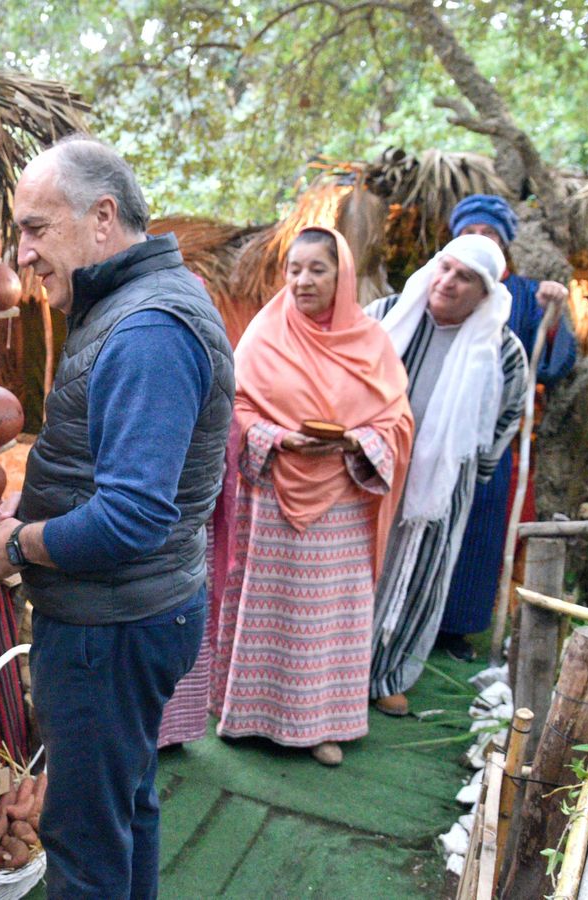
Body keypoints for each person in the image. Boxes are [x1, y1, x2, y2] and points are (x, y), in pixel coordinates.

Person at [0, 134, 234, 899]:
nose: (21, 253)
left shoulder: (148, 328)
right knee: (126, 806)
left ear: (103, 217)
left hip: (109, 629)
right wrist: (35, 496)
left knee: (84, 839)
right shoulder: (129, 305)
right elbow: (103, 459)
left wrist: (17, 544)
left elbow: (130, 518)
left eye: (34, 228)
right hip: (134, 615)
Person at [204, 227, 413, 766]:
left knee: (324, 619)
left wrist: (354, 442)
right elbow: (237, 409)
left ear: (342, 276)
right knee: (269, 608)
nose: (302, 281)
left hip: (343, 498)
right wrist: (276, 438)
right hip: (272, 495)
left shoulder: (372, 342)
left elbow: (397, 421)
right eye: (294, 269)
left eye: (317, 269)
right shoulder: (264, 334)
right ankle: (245, 713)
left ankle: (321, 726)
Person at [366, 234, 530, 716]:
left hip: (442, 481)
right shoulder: (385, 316)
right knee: (359, 568)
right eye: (445, 269)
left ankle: (388, 674)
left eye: (465, 278)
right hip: (369, 467)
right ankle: (331, 671)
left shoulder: (502, 350)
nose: (448, 283)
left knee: (421, 573)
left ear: (485, 293)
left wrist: (471, 476)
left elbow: (507, 417)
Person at [435, 195, 577, 661]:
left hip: (489, 440)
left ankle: (457, 628)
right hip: (432, 429)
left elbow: (554, 365)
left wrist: (551, 316)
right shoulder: (436, 285)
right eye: (471, 234)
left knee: (480, 529)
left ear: (505, 246)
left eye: (491, 236)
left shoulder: (527, 294)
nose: (480, 243)